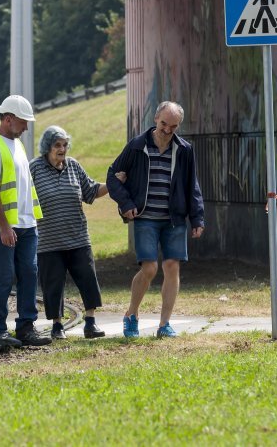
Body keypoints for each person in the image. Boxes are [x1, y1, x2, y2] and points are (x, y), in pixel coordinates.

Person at [106, 101, 204, 338]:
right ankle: (131, 314)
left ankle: (164, 324)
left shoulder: (184, 150)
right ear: (155, 119)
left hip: (174, 219)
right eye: (164, 124)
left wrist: (197, 217)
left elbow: (192, 185)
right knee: (149, 268)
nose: (168, 130)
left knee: (172, 267)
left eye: (174, 126)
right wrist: (127, 204)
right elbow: (112, 177)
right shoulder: (137, 146)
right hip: (145, 218)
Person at [0, 95, 51, 348]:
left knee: (29, 273)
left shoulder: (18, 145)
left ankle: (26, 328)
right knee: (4, 275)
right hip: (3, 226)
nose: (26, 128)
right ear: (8, 119)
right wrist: (4, 226)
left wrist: (31, 220)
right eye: (23, 122)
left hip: (26, 224)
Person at [30, 126, 109, 340]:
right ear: (47, 147)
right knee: (53, 285)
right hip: (49, 241)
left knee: (87, 279)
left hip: (78, 238)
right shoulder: (34, 169)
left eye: (65, 145)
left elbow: (91, 191)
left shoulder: (73, 166)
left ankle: (90, 323)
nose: (62, 149)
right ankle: (57, 326)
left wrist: (112, 183)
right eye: (57, 145)